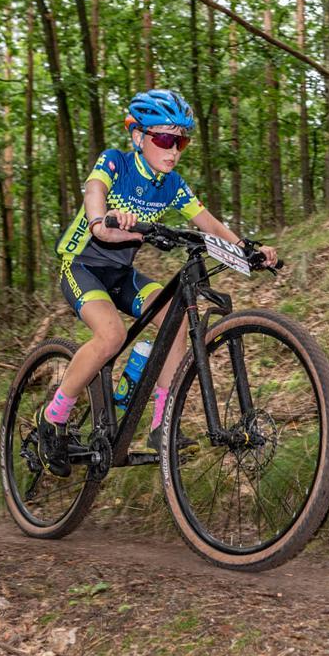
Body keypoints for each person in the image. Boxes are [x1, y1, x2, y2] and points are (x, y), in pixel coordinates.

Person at [36, 89, 278, 477]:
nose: (174, 150)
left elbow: (209, 223)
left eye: (181, 141)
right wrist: (99, 220)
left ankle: (161, 426)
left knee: (176, 318)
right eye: (165, 139)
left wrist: (247, 249)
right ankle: (54, 417)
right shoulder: (116, 162)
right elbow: (94, 189)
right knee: (111, 335)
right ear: (138, 137)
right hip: (82, 266)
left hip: (121, 274)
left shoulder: (172, 184)